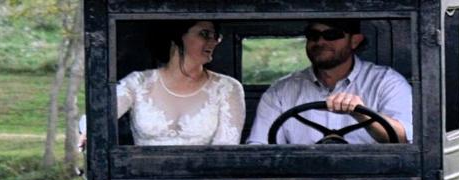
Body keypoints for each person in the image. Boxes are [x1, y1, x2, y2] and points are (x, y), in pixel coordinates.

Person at [247, 19, 412, 145]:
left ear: (355, 41)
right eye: (313, 36)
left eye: (332, 35)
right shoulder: (281, 91)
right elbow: (260, 147)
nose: (320, 42)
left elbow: (404, 138)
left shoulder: (387, 82)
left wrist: (361, 114)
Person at [112, 20, 243, 145]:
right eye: (204, 34)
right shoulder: (137, 83)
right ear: (177, 35)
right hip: (139, 168)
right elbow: (96, 124)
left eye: (215, 36)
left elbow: (225, 150)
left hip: (205, 168)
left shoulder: (227, 87)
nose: (213, 42)